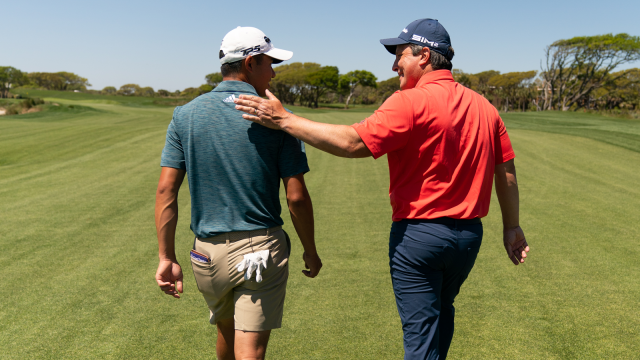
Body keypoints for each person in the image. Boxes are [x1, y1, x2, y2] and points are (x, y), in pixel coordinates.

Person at [234, 18, 529, 360]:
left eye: (399, 54)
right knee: (441, 312)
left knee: (420, 334)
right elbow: (505, 171)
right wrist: (511, 226)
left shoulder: (409, 101)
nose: (393, 65)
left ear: (423, 56)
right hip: (468, 239)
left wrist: (285, 119)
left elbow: (352, 142)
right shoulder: (485, 107)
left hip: (419, 237)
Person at [154, 26, 322, 360]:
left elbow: (165, 191)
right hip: (260, 251)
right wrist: (310, 250)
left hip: (205, 256)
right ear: (250, 62)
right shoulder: (278, 119)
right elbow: (296, 197)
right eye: (270, 63)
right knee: (251, 350)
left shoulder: (184, 114)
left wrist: (166, 257)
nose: (273, 72)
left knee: (226, 331)